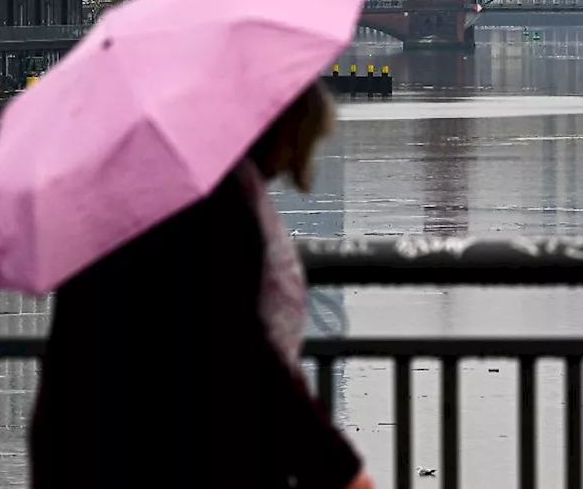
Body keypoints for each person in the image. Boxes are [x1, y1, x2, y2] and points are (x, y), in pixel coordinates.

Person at [30, 81, 374, 489]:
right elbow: (239, 350)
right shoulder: (214, 203)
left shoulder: (144, 187)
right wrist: (338, 468)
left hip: (87, 441)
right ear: (278, 131)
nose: (290, 166)